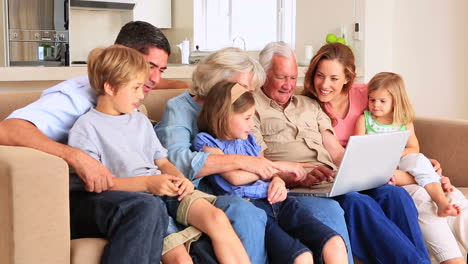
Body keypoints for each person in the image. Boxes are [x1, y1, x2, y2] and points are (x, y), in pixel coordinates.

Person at [0, 21, 240, 263]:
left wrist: (187, 86)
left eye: (160, 70)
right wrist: (76, 157)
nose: (152, 80)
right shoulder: (75, 102)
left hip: (143, 191)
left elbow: (160, 157)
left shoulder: (134, 110)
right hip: (86, 196)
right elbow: (8, 130)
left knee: (202, 215)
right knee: (148, 207)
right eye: (148, 68)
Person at [68, 45, 250, 263]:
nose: (141, 95)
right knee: (180, 258)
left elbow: (162, 162)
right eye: (135, 88)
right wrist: (148, 183)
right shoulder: (86, 127)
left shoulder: (140, 120)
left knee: (217, 218)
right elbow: (97, 186)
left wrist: (180, 179)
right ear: (110, 87)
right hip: (138, 195)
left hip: (165, 188)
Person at [253, 41, 431, 264]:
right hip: (298, 185)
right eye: (281, 77)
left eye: (292, 78)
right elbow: (258, 162)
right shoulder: (251, 108)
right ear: (263, 74)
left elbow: (336, 151)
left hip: (334, 179)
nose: (289, 85)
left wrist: (364, 171)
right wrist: (296, 175)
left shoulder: (309, 104)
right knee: (357, 202)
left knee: (395, 195)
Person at [304, 42, 468, 264]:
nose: (324, 84)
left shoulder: (368, 94)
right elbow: (335, 155)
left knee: (441, 197)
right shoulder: (309, 105)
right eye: (320, 75)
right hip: (351, 175)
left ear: (348, 78)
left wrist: (422, 168)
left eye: (334, 78)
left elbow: (401, 120)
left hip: (385, 171)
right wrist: (422, 175)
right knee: (415, 198)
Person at [193, 80, 348, 264]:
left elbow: (263, 167)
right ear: (225, 115)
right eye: (247, 117)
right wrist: (281, 166)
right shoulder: (207, 142)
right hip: (255, 208)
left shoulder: (248, 138)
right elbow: (235, 177)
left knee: (335, 243)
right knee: (302, 257)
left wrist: (277, 180)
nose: (252, 123)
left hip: (281, 201)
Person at [155, 47, 283, 263]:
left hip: (237, 190)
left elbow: (257, 157)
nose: (246, 96)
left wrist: (275, 176)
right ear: (217, 79)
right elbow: (178, 161)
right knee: (244, 210)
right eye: (242, 87)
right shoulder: (180, 108)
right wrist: (244, 162)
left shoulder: (238, 112)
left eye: (250, 91)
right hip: (194, 195)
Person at [354, 72, 462, 217]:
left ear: (395, 101)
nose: (375, 105)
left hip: (400, 161)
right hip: (377, 165)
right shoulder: (364, 119)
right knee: (386, 175)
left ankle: (441, 202)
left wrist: (393, 155)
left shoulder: (404, 121)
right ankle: (436, 181)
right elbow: (358, 149)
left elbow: (414, 148)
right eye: (372, 99)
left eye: (382, 101)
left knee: (418, 159)